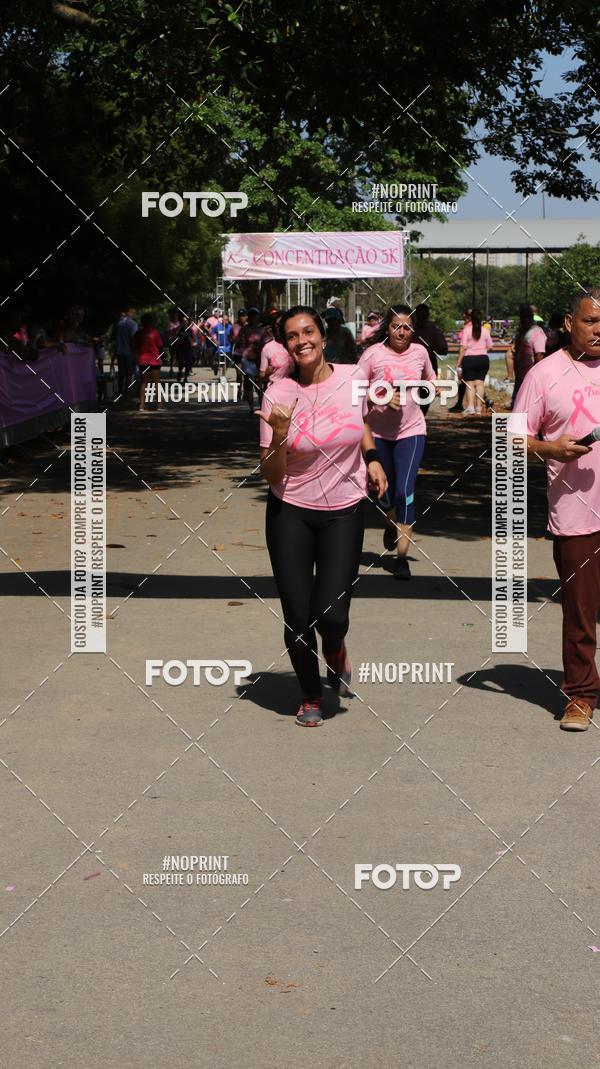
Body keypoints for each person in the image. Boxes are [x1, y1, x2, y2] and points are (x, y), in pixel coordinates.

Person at [258, 305, 387, 727]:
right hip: (290, 510)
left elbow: (361, 420)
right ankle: (311, 695)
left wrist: (371, 458)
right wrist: (279, 436)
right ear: (286, 345)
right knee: (298, 616)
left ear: (323, 334)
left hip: (344, 510)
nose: (302, 340)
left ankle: (336, 649)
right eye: (292, 336)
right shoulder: (278, 395)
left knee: (332, 615)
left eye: (308, 331)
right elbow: (271, 474)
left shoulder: (353, 378)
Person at [511, 287, 600, 731]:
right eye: (591, 321)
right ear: (569, 323)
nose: (599, 329)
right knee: (581, 611)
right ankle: (581, 695)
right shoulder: (544, 374)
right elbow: (511, 438)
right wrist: (549, 447)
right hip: (576, 512)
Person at [359, 304, 436, 580]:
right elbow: (354, 390)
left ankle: (401, 559)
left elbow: (430, 379)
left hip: (411, 431)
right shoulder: (373, 355)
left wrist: (432, 389)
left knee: (405, 491)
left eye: (407, 327)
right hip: (378, 434)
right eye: (396, 327)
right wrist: (378, 396)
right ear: (387, 328)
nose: (401, 332)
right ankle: (390, 519)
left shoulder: (420, 352)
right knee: (385, 493)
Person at [455, 308, 492, 415]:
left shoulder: (467, 330)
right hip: (483, 359)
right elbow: (490, 346)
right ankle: (479, 408)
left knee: (470, 384)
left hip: (469, 359)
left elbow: (463, 348)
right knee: (480, 384)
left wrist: (458, 362)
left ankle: (470, 407)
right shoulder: (485, 330)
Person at [509, 303, 546, 406]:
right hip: (520, 377)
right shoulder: (521, 333)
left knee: (528, 405)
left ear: (531, 317)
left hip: (531, 377)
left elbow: (540, 355)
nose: (525, 319)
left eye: (527, 316)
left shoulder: (537, 332)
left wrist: (538, 375)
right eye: (522, 317)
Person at [134, 313, 163, 412]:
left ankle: (141, 405)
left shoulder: (139, 333)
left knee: (143, 383)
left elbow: (134, 345)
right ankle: (159, 405)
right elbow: (160, 345)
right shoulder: (155, 332)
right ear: (151, 322)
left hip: (142, 359)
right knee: (156, 382)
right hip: (154, 359)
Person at [259, 313, 293, 386]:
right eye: (277, 325)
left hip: (294, 392)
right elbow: (261, 377)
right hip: (274, 392)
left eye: (282, 324)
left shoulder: (295, 344)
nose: (280, 328)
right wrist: (267, 372)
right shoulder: (268, 348)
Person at [115, 306, 138, 398]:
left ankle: (120, 392)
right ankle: (127, 393)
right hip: (129, 351)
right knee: (129, 373)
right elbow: (134, 339)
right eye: (133, 313)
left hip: (119, 351)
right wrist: (136, 352)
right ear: (130, 312)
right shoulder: (133, 324)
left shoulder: (119, 323)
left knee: (121, 373)